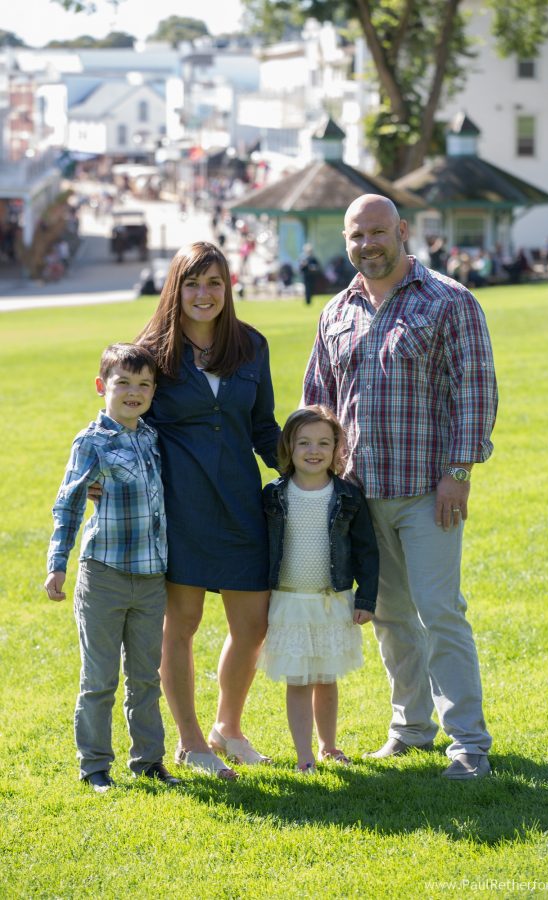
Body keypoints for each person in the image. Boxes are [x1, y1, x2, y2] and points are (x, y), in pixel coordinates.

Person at [302, 194, 498, 780]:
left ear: (403, 231)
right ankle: (411, 729)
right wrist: (319, 482)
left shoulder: (449, 301)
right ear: (347, 240)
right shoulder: (336, 311)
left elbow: (475, 391)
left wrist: (458, 473)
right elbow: (318, 400)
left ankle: (469, 744)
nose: (369, 244)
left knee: (440, 611)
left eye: (379, 232)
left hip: (427, 490)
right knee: (389, 618)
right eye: (357, 235)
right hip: (360, 495)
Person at [135, 241, 281, 778]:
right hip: (180, 509)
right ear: (176, 288)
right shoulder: (150, 352)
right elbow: (124, 422)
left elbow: (263, 426)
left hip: (243, 504)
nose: (204, 294)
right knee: (183, 623)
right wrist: (104, 479)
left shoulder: (251, 345)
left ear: (229, 288)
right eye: (192, 283)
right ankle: (191, 741)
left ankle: (228, 727)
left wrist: (307, 471)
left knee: (254, 623)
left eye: (214, 283)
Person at [44, 343, 180, 792]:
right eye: (123, 383)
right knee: (99, 678)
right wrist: (56, 564)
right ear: (102, 387)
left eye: (144, 385)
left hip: (150, 577)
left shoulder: (150, 437)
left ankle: (149, 761)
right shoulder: (92, 442)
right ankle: (95, 766)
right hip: (104, 575)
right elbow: (67, 504)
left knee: (145, 677)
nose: (134, 392)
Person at [258, 406, 379, 773]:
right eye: (305, 443)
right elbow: (260, 546)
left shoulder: (347, 496)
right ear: (288, 448)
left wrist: (366, 598)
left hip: (332, 601)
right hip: (289, 601)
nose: (314, 450)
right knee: (298, 681)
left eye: (324, 443)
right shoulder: (274, 495)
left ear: (338, 448)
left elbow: (367, 551)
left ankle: (329, 745)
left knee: (326, 678)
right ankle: (304, 755)